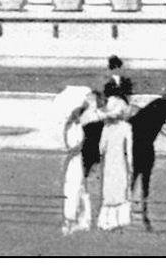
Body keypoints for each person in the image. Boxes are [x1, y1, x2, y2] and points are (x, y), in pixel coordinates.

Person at [61, 91, 103, 235]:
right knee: (78, 189)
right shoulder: (87, 117)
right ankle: (77, 221)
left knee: (81, 190)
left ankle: (80, 221)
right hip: (80, 158)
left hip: (84, 158)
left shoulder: (91, 117)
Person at [97, 94, 135, 231]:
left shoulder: (106, 128)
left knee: (109, 191)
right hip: (121, 163)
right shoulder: (126, 128)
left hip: (109, 164)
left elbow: (101, 148)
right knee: (121, 190)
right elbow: (129, 150)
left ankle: (106, 221)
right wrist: (131, 166)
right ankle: (121, 219)